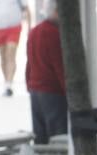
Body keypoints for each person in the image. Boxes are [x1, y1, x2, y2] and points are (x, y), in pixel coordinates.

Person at [25, 1, 66, 145]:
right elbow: (59, 65)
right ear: (56, 11)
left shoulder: (34, 31)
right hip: (53, 92)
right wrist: (68, 91)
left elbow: (29, 63)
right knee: (58, 137)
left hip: (35, 90)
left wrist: (29, 86)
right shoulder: (55, 33)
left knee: (40, 137)